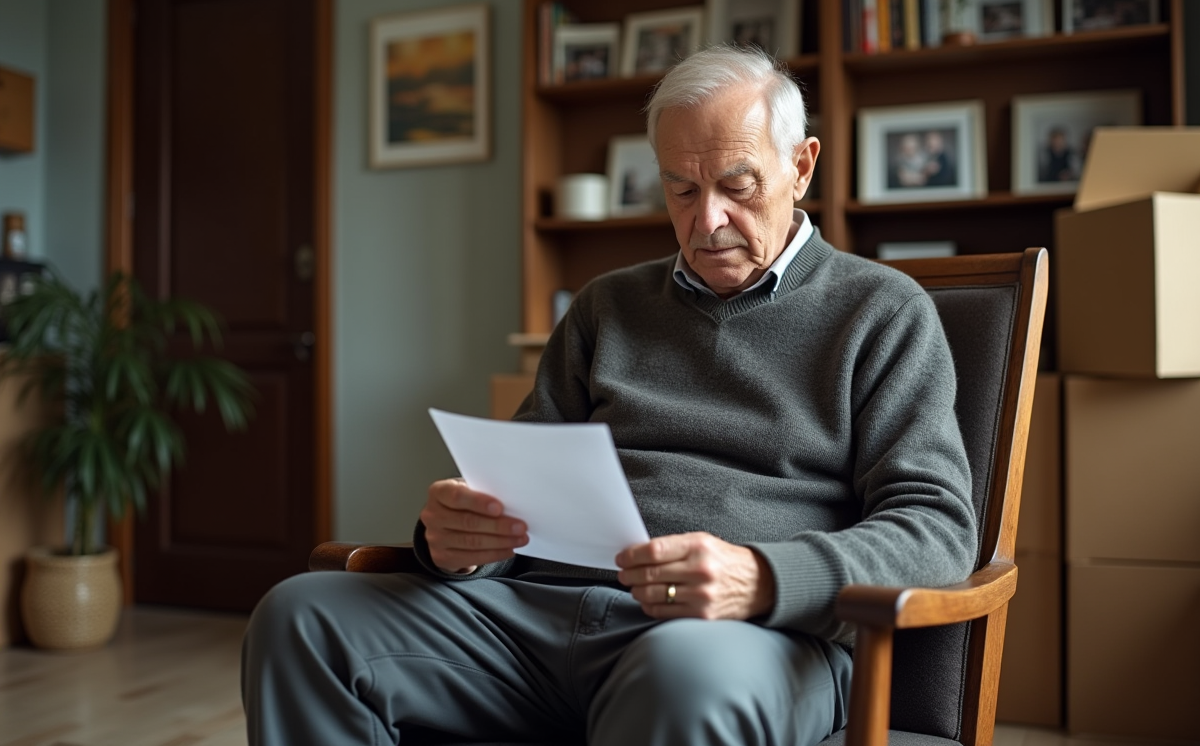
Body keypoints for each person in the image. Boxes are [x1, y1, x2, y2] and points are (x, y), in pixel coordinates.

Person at [241, 44, 977, 746]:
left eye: (737, 185)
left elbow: (938, 529)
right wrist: (457, 541)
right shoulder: (606, 306)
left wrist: (760, 576)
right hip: (533, 618)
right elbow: (520, 492)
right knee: (301, 616)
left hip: (745, 635)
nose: (707, 220)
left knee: (684, 676)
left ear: (801, 165)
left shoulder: (881, 310)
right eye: (682, 190)